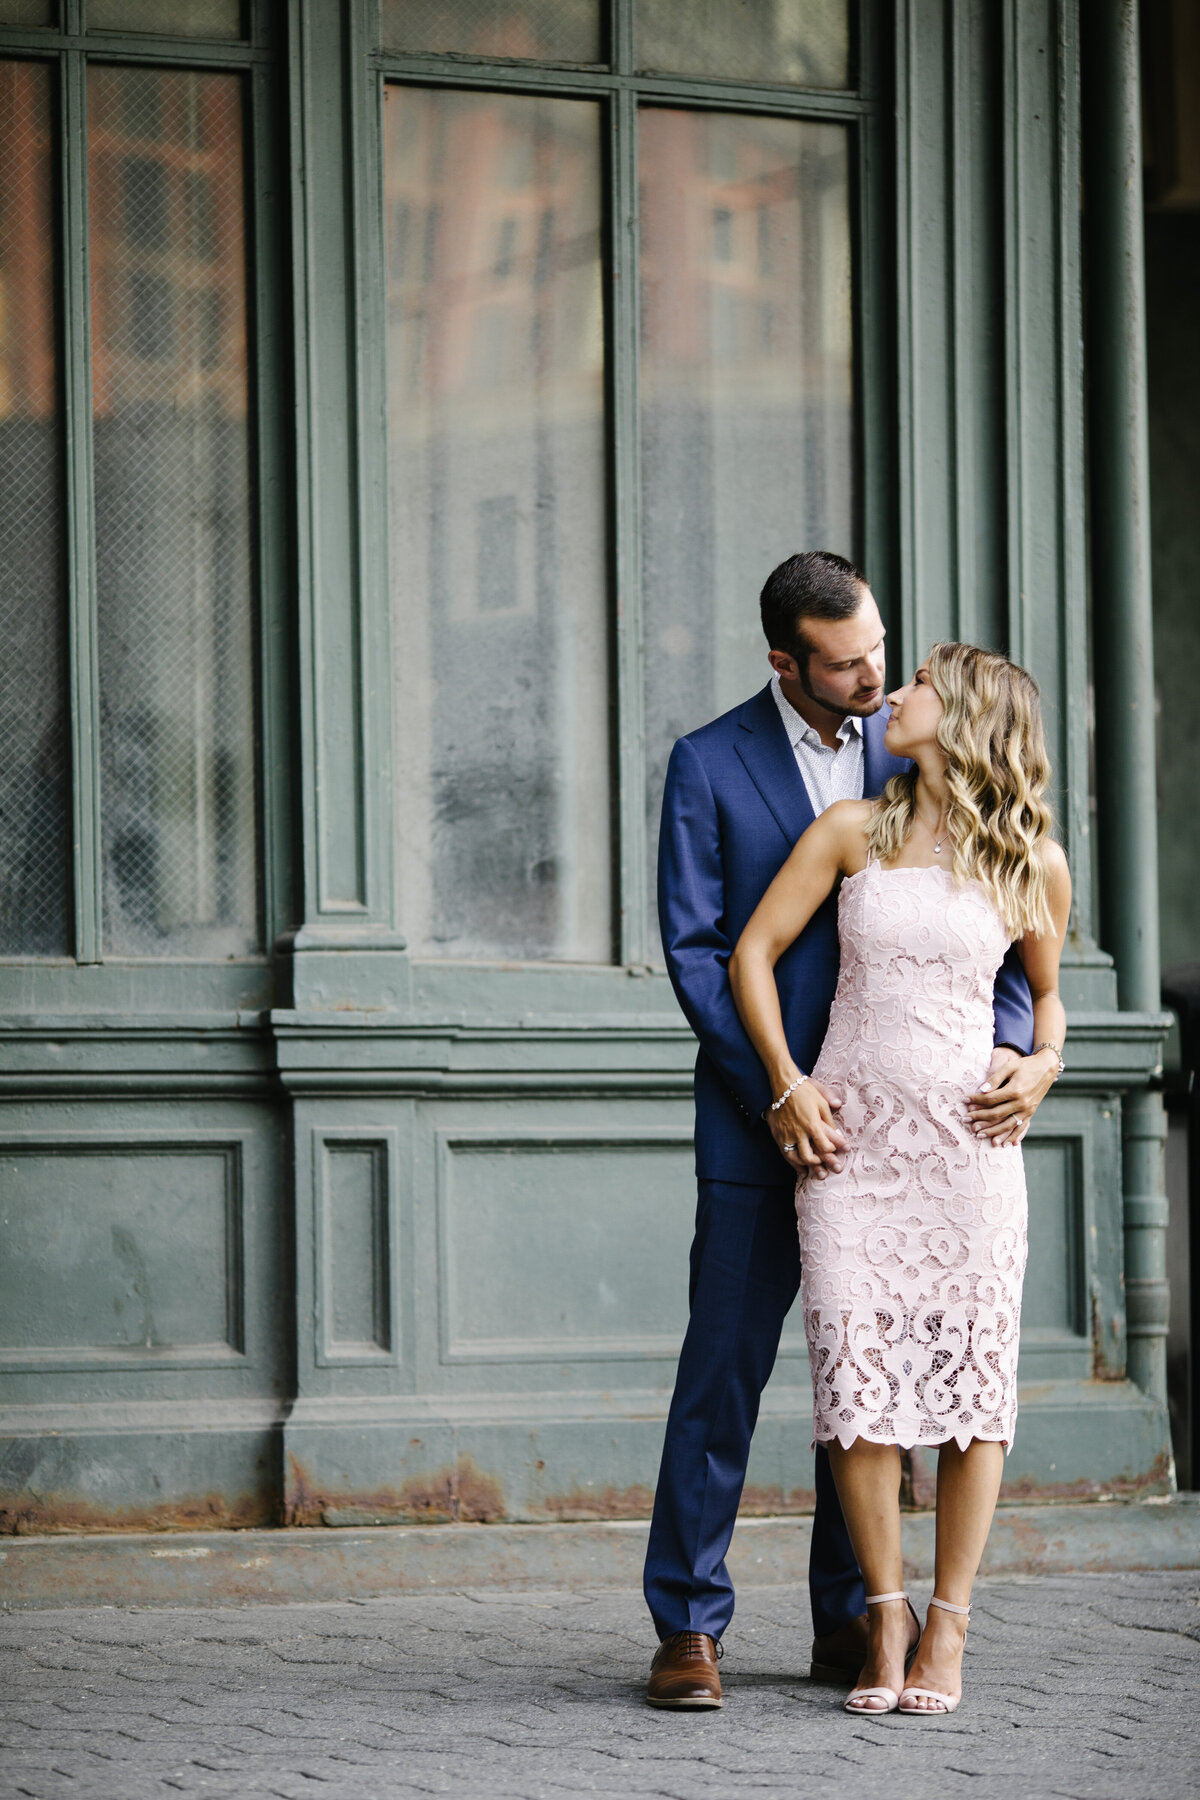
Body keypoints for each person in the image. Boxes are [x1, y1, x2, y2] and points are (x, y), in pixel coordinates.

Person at [644, 553, 1052, 1711]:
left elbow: (1001, 937)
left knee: (868, 1379)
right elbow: (698, 950)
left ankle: (854, 1621)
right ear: (787, 663)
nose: (876, 672)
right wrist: (780, 1090)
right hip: (760, 1121)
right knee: (721, 1379)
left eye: (883, 648)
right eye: (848, 660)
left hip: (921, 1134)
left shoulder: (920, 742)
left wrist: (1022, 1054)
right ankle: (687, 1625)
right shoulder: (708, 764)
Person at [729, 639, 1071, 1716]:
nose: (901, 694)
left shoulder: (1032, 862)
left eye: (921, 682)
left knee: (976, 1396)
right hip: (853, 1155)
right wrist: (788, 1083)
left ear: (963, 716)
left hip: (970, 1159)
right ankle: (886, 1616)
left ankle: (951, 1629)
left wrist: (1044, 1064)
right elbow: (751, 954)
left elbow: (1049, 1001)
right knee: (855, 1387)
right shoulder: (850, 834)